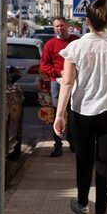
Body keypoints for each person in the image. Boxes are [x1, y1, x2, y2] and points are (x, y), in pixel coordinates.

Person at [53, 0, 107, 214]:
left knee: (84, 161)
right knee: (105, 163)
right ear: (106, 21)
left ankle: (82, 204)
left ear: (86, 21)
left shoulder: (75, 47)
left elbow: (67, 82)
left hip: (81, 112)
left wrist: (60, 115)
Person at [40, 16, 80, 157]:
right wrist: (59, 72)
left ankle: (73, 142)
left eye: (62, 25)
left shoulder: (75, 41)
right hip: (57, 82)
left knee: (74, 113)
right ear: (53, 27)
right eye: (56, 26)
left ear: (67, 25)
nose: (59, 28)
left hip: (75, 82)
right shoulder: (50, 44)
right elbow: (44, 65)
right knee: (58, 112)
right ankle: (58, 145)